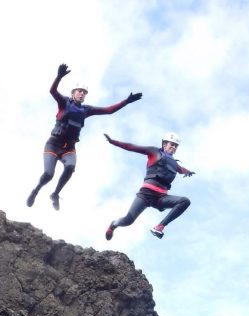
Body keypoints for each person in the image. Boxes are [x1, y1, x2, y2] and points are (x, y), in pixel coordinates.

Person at [26, 63, 143, 210]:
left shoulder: (86, 110)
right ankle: (36, 190)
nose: (82, 94)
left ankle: (55, 194)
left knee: (70, 167)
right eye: (79, 91)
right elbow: (52, 91)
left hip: (69, 148)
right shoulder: (64, 103)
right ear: (73, 93)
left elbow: (109, 110)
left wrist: (126, 101)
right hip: (53, 145)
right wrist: (59, 77)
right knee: (48, 175)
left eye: (84, 92)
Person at [104, 132, 194, 240]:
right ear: (165, 144)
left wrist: (187, 171)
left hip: (161, 198)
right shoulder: (154, 152)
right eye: (172, 144)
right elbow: (132, 147)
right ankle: (113, 224)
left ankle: (159, 227)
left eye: (176, 146)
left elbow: (180, 170)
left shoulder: (175, 163)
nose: (174, 147)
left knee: (185, 201)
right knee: (128, 220)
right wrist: (113, 142)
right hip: (146, 194)